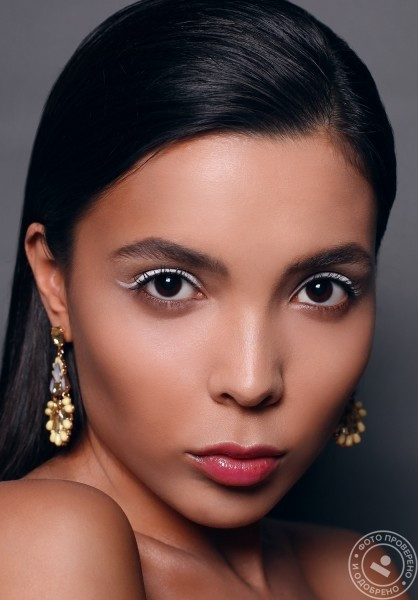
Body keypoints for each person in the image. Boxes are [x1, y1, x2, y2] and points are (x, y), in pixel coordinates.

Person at [0, 0, 407, 598]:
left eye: (321, 290)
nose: (252, 381)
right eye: (168, 284)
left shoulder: (356, 572)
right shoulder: (43, 537)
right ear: (54, 279)